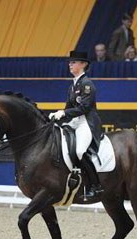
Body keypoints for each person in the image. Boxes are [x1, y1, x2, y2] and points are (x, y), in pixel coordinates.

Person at [49, 50, 103, 199]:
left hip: (86, 122)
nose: (70, 64)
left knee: (79, 151)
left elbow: (84, 108)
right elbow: (68, 108)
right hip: (75, 122)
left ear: (83, 64)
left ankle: (95, 186)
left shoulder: (87, 84)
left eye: (74, 62)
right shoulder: (72, 86)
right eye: (70, 62)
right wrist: (57, 115)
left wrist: (65, 113)